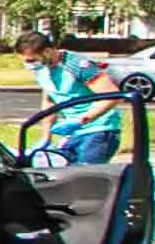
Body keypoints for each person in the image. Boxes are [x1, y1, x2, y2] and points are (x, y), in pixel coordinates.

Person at [14, 28, 123, 164]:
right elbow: (50, 101)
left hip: (99, 130)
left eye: (31, 60)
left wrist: (81, 120)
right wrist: (46, 136)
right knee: (59, 172)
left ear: (47, 52)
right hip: (73, 133)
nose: (28, 65)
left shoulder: (76, 65)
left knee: (84, 177)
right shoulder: (41, 68)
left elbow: (112, 95)